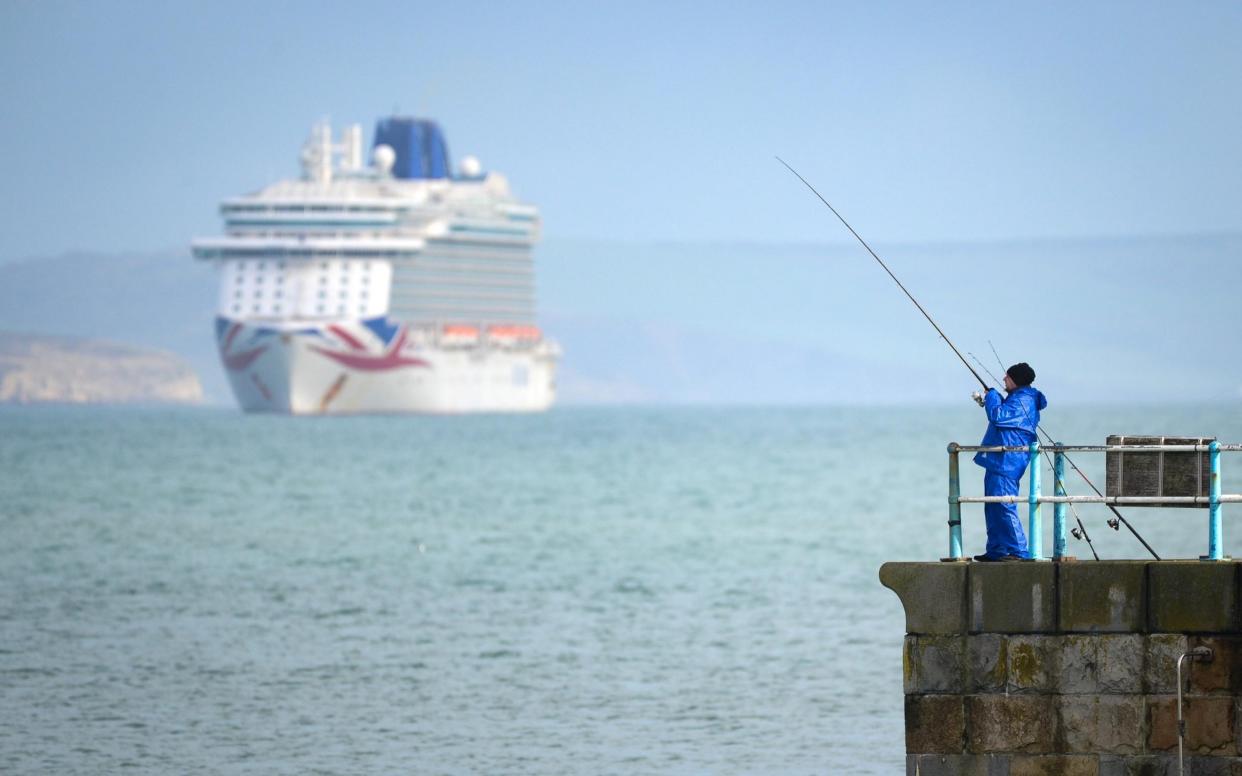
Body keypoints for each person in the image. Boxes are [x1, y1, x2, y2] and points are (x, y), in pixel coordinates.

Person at [970, 362, 1047, 562]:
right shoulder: (1018, 398)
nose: (1004, 379)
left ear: (1016, 380)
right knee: (992, 505)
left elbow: (998, 416)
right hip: (998, 459)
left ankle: (1019, 550)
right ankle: (997, 549)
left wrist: (993, 396)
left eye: (1007, 376)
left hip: (1008, 460)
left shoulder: (1024, 400)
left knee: (1004, 504)